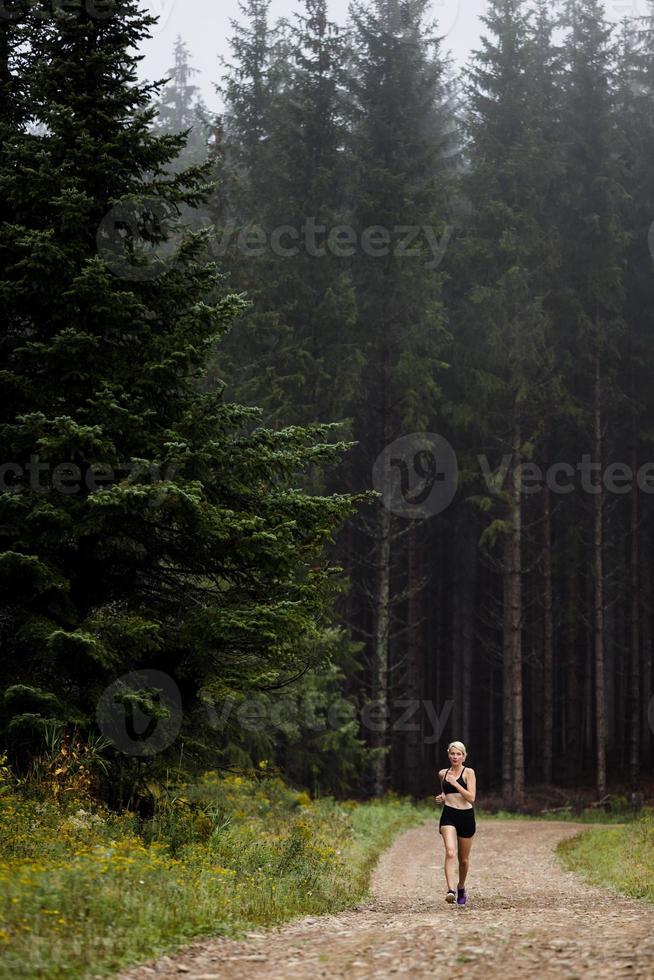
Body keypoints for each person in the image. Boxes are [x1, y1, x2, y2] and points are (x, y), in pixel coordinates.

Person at [435, 740, 476, 906]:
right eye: (452, 753)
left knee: (463, 860)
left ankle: (460, 887)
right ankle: (450, 890)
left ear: (464, 756)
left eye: (458, 754)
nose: (455, 756)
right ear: (448, 755)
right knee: (450, 852)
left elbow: (471, 797)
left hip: (466, 816)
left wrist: (455, 783)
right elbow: (445, 792)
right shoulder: (442, 773)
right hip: (449, 815)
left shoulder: (469, 773)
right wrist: (442, 797)